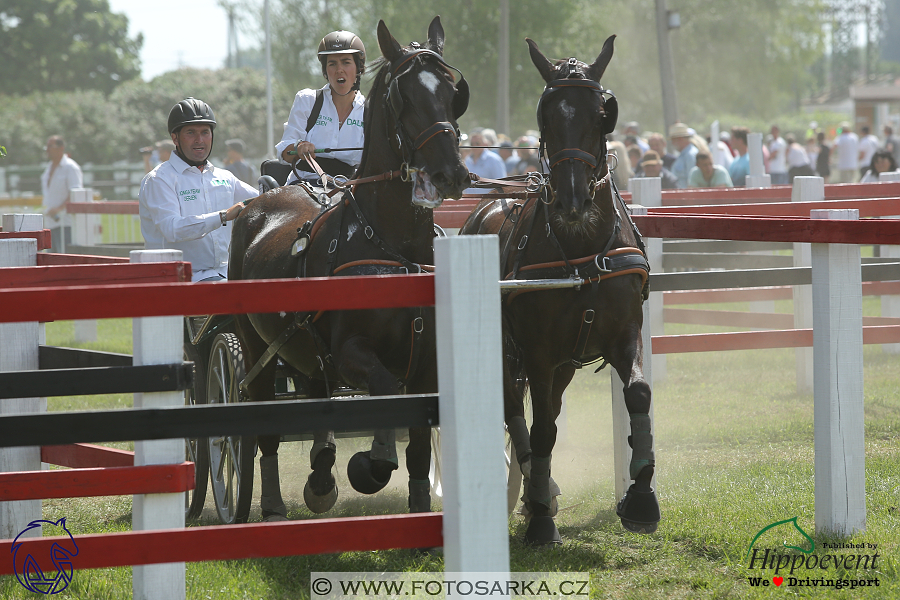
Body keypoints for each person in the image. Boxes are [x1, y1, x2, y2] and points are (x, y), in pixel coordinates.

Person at [139, 97, 258, 282]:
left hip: (223, 275)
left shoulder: (224, 177)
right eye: (190, 132)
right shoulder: (159, 179)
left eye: (205, 132)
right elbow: (173, 229)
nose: (199, 140)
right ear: (174, 138)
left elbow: (262, 200)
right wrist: (224, 216)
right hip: (176, 280)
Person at [276, 30, 367, 186]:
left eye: (346, 62)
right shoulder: (307, 100)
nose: (339, 69)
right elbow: (284, 152)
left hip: (347, 192)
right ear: (325, 70)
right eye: (332, 64)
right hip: (302, 187)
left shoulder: (370, 110)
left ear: (359, 68)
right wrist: (298, 148)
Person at [41, 135, 83, 252]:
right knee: (51, 261)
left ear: (61, 148)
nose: (47, 149)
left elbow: (75, 193)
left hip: (66, 222)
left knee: (65, 258)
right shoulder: (48, 168)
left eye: (50, 146)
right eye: (47, 146)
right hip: (51, 223)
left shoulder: (70, 167)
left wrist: (59, 209)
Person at [464, 129, 506, 193]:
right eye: (472, 144)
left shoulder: (494, 159)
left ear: (485, 144)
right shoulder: (467, 160)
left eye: (477, 143)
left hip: (489, 201)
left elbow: (502, 184)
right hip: (469, 200)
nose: (474, 146)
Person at [668, 122, 698, 189]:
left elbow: (691, 181)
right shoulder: (684, 155)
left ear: (680, 139)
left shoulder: (690, 155)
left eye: (673, 140)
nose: (672, 143)